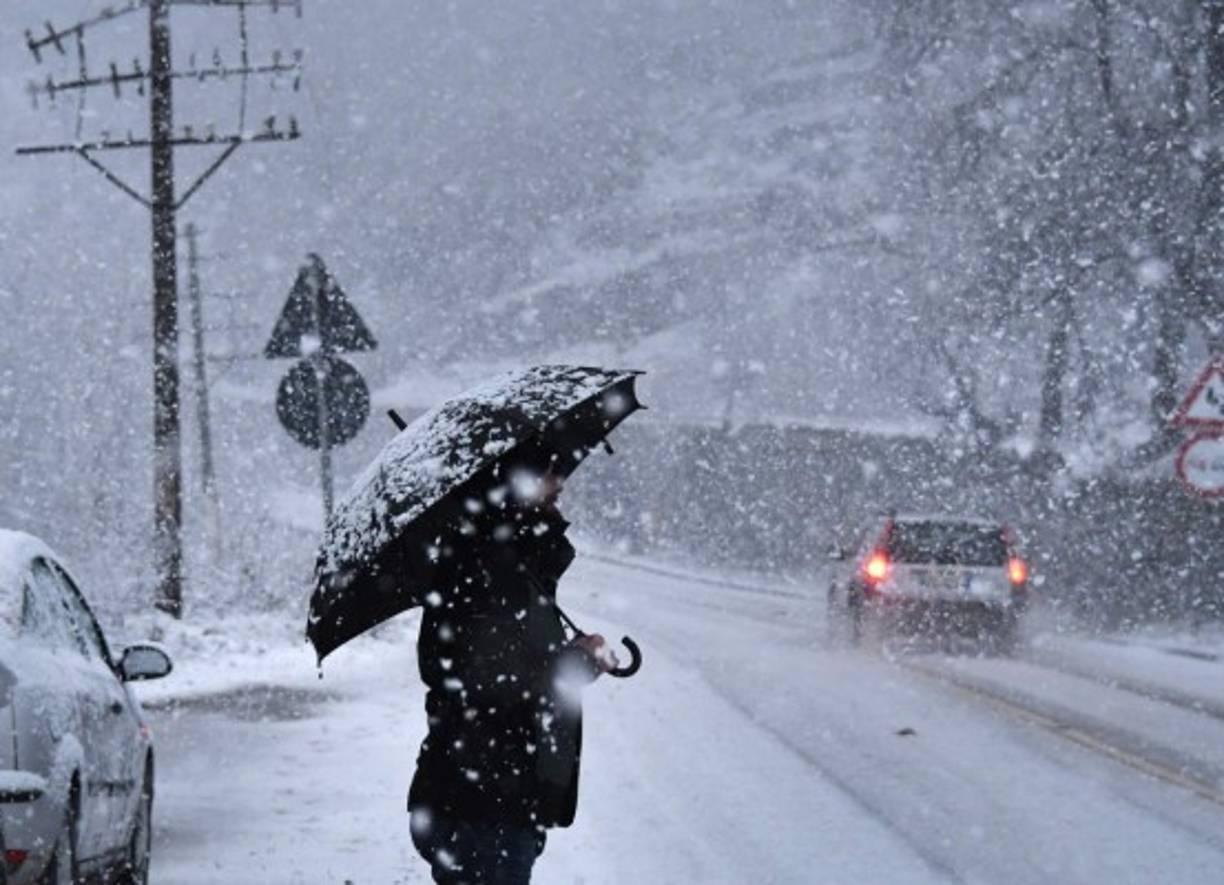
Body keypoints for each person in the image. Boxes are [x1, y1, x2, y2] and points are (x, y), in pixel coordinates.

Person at [408, 458, 618, 885]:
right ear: (511, 489)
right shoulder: (485, 566)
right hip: (484, 803)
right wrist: (576, 661)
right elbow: (489, 682)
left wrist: (574, 656)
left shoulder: (503, 562)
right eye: (546, 473)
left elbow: (508, 666)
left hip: (492, 797)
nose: (559, 481)